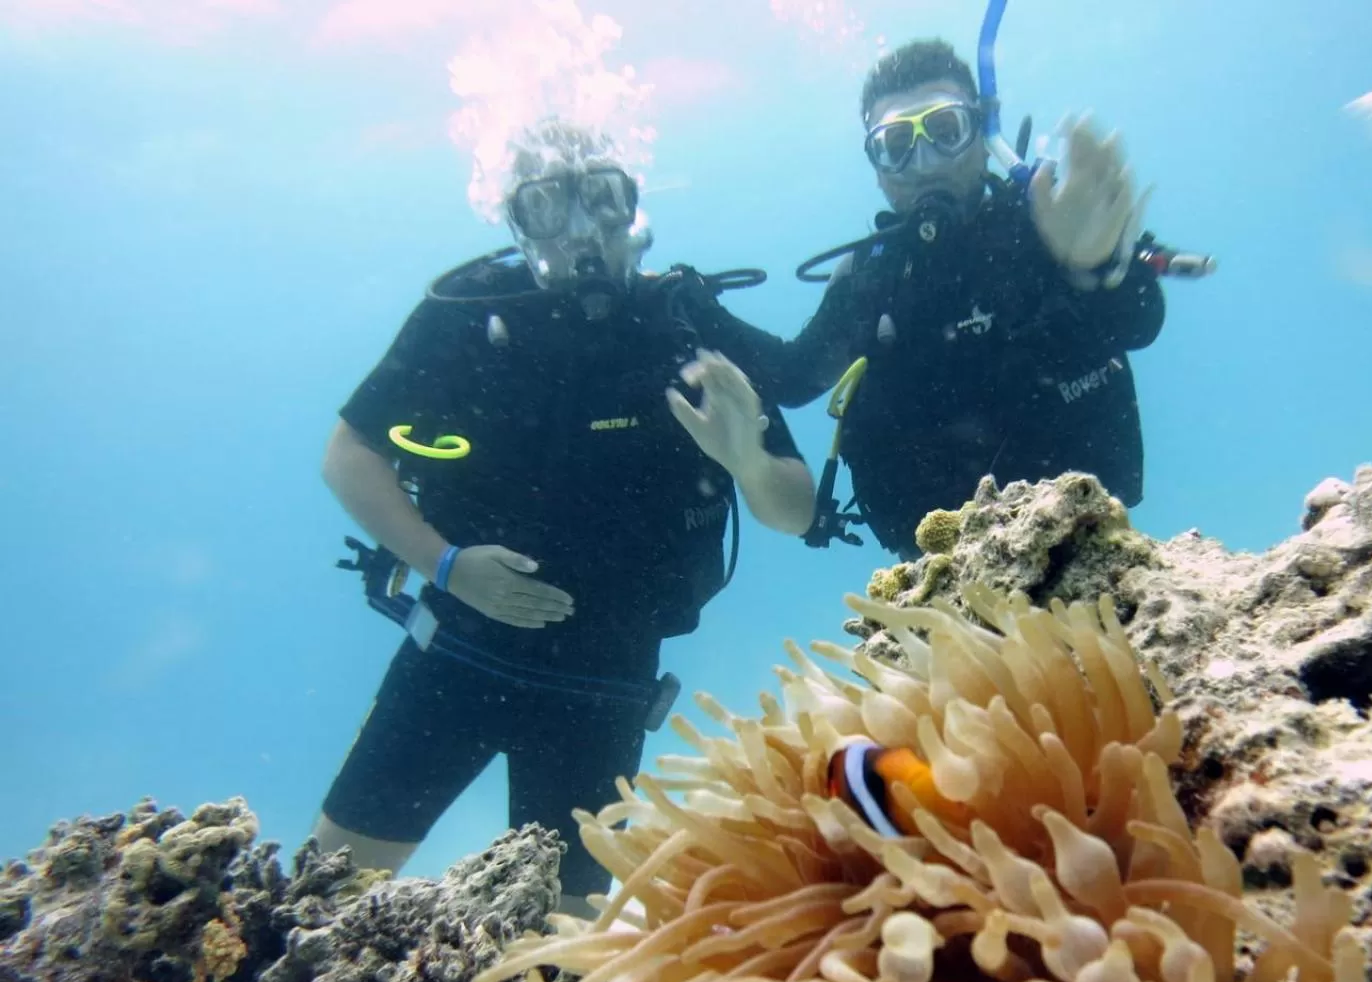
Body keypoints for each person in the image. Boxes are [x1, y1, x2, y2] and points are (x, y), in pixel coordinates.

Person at [311, 121, 816, 914]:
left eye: (604, 202)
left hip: (604, 681)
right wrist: (445, 566)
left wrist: (747, 457)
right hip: (456, 655)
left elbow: (794, 511)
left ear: (634, 209)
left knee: (558, 967)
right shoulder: (463, 316)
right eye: (548, 207)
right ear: (515, 221)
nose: (584, 234)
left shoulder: (684, 324)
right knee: (325, 903)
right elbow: (348, 454)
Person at [785, 38, 1172, 561]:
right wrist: (688, 307)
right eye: (896, 143)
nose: (923, 163)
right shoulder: (867, 284)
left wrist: (1095, 265)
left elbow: (1140, 321)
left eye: (945, 130)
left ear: (982, 134)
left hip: (1092, 552)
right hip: (936, 582)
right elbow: (792, 378)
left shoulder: (1047, 224)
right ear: (877, 168)